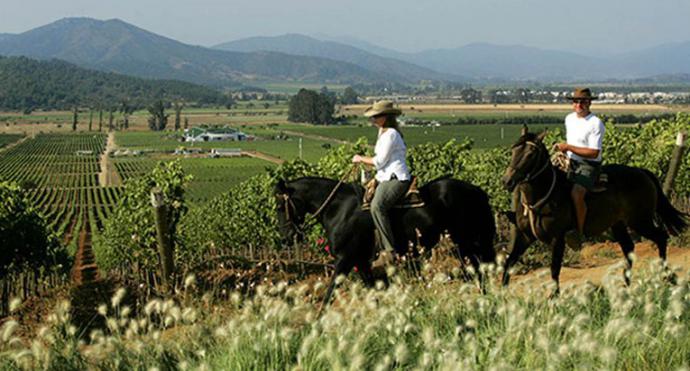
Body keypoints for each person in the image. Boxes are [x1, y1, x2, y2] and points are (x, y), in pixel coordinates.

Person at [352, 100, 411, 268]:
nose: (373, 119)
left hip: (396, 178)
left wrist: (360, 158)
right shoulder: (383, 132)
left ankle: (389, 251)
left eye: (376, 116)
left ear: (386, 117)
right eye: (372, 117)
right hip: (385, 176)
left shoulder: (390, 134)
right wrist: (375, 179)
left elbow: (379, 161)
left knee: (377, 206)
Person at [553, 88, 604, 245]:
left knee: (577, 193)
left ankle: (579, 232)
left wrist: (568, 147)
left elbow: (594, 152)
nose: (579, 104)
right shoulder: (569, 119)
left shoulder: (596, 123)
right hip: (570, 161)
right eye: (576, 101)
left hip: (588, 164)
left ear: (589, 103)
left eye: (583, 101)